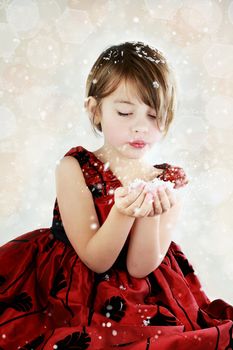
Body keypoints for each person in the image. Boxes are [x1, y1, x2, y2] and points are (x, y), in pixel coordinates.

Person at [0, 41, 232, 350]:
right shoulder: (74, 168)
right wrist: (123, 213)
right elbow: (96, 259)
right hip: (72, 286)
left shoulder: (168, 181)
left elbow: (139, 267)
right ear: (95, 111)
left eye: (154, 115)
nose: (140, 128)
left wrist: (151, 216)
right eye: (125, 112)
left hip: (142, 291)